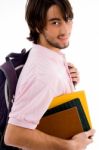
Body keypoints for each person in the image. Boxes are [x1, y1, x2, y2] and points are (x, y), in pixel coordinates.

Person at [4, 0, 95, 150]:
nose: (66, 30)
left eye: (68, 19)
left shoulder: (47, 56)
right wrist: (69, 146)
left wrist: (67, 80)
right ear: (37, 26)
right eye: (55, 22)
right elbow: (13, 135)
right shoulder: (43, 75)